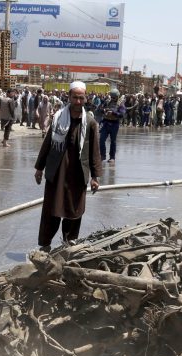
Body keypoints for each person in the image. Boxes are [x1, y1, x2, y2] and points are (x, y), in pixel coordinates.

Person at [34, 81, 101, 251]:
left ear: (85, 98)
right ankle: (45, 246)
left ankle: (69, 246)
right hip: (57, 172)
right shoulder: (58, 119)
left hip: (78, 175)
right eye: (75, 97)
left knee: (74, 211)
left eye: (81, 98)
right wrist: (39, 168)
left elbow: (94, 152)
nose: (78, 101)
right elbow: (48, 143)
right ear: (69, 97)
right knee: (51, 210)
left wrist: (95, 177)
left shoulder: (90, 123)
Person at [99, 89, 126, 164]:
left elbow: (122, 114)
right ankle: (102, 155)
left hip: (114, 124)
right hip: (106, 123)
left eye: (114, 97)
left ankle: (112, 157)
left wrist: (113, 113)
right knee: (101, 140)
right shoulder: (107, 102)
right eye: (112, 97)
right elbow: (100, 109)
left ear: (117, 96)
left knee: (113, 141)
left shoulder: (120, 104)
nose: (113, 99)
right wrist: (104, 110)